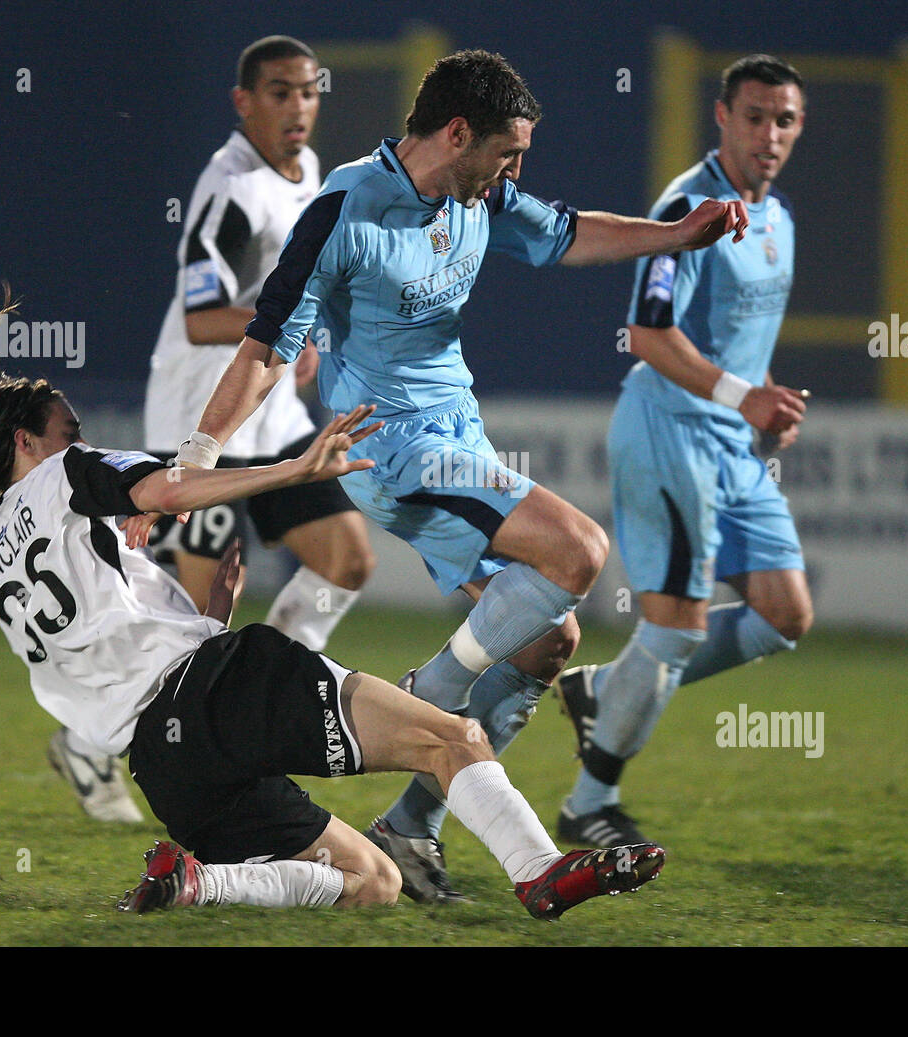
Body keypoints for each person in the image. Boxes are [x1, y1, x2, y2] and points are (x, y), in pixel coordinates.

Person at [165, 49, 794, 902]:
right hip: (391, 446)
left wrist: (677, 234)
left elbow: (572, 234)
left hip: (460, 437)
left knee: (547, 641)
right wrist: (193, 462)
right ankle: (429, 691)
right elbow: (266, 348)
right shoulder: (347, 207)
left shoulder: (481, 191)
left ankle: (409, 827)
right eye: (508, 152)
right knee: (578, 550)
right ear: (457, 133)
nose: (516, 170)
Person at [0, 354, 664, 920]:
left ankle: (198, 882)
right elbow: (172, 487)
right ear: (27, 441)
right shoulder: (66, 475)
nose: (79, 438)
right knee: (454, 739)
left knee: (375, 883)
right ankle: (538, 871)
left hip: (164, 767)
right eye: (66, 429)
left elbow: (110, 662)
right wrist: (296, 468)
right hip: (223, 688)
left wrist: (206, 618)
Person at [49, 36, 377, 824]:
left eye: (306, 92)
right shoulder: (229, 188)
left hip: (274, 426)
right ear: (244, 102)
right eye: (278, 92)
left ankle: (270, 695)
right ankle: (87, 743)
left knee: (347, 558)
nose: (296, 107)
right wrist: (293, 329)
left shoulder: (311, 181)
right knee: (196, 629)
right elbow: (203, 318)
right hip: (201, 435)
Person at [556, 54, 813, 848]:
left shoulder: (780, 220)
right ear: (723, 117)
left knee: (783, 614)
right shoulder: (692, 207)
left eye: (786, 120)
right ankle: (588, 804)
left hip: (734, 444)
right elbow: (648, 333)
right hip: (670, 433)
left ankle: (607, 688)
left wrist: (764, 401)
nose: (770, 135)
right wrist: (744, 396)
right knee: (675, 631)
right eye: (756, 117)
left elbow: (744, 338)